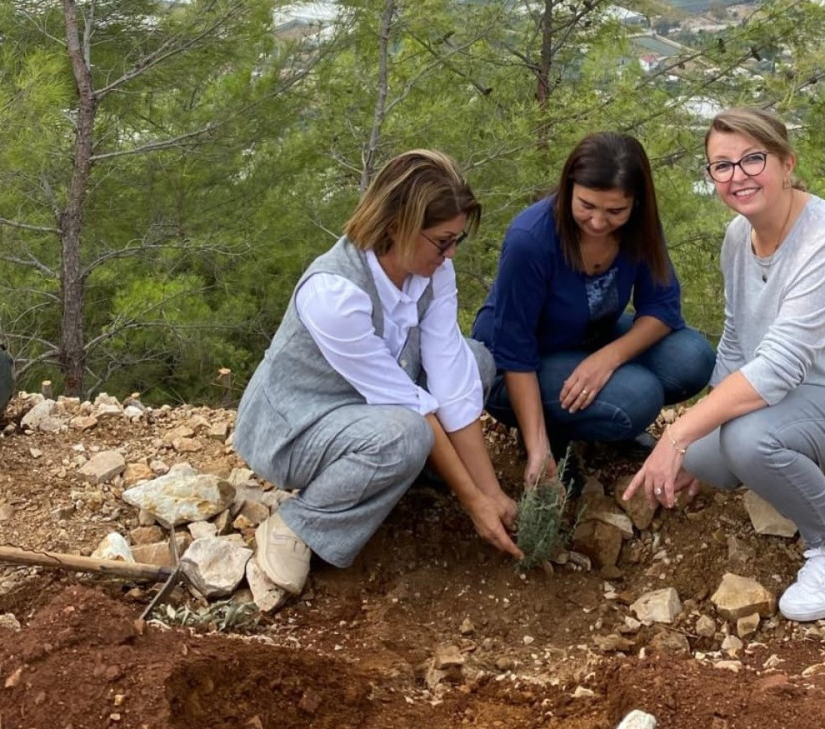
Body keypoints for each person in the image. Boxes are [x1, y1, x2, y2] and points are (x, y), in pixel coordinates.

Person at [625, 108, 825, 622]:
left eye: (753, 159)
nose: (738, 176)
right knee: (710, 458)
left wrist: (677, 434)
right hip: (813, 397)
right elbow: (736, 337)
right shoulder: (738, 236)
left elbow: (777, 369)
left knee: (750, 440)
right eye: (722, 166)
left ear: (786, 163)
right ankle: (798, 456)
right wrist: (700, 434)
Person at [233, 150, 522, 595]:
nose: (450, 255)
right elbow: (407, 402)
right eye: (442, 241)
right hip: (294, 425)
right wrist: (473, 503)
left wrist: (492, 492)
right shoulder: (335, 293)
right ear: (397, 227)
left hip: (369, 410)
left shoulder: (431, 271)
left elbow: (449, 376)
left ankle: (413, 475)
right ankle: (301, 524)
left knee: (474, 362)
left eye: (456, 241)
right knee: (406, 434)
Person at [472, 132, 715, 490]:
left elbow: (662, 307)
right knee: (639, 397)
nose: (599, 222)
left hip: (590, 337)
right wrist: (537, 445)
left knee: (693, 357)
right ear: (569, 187)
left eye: (615, 210)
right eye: (586, 205)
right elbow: (514, 347)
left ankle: (603, 420)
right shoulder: (531, 239)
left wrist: (607, 359)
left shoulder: (640, 228)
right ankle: (552, 438)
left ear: (636, 203)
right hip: (517, 364)